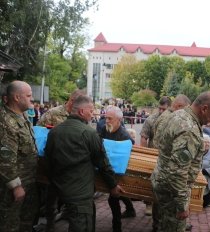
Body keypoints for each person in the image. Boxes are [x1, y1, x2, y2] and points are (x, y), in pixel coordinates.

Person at [44, 95, 124, 232]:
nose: (93, 115)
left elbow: (48, 160)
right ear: (82, 112)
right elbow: (103, 163)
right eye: (91, 111)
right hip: (80, 194)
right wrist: (113, 185)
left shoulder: (54, 132)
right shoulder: (89, 133)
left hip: (59, 188)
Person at [151, 91, 210, 232]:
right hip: (172, 191)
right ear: (204, 108)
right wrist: (182, 205)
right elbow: (177, 172)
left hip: (162, 181)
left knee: (164, 223)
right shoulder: (189, 130)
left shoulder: (178, 114)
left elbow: (159, 142)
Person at [37, 89, 85, 231]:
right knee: (51, 197)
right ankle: (50, 224)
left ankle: (67, 217)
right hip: (54, 163)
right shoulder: (53, 113)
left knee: (70, 198)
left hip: (72, 164)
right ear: (71, 101)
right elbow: (39, 133)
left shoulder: (80, 115)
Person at [0, 80, 39, 232]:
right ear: (17, 97)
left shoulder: (20, 116)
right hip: (13, 188)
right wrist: (16, 186)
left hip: (27, 182)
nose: (32, 98)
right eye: (29, 96)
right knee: (10, 224)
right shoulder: (6, 122)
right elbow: (4, 160)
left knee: (25, 223)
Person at [152, 94, 191, 232]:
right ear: (179, 106)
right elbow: (159, 143)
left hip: (163, 167)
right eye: (186, 109)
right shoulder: (170, 118)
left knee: (162, 209)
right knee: (166, 214)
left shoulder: (169, 116)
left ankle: (159, 224)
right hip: (167, 168)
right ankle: (158, 225)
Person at [100, 106, 135, 232]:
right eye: (106, 118)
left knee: (113, 197)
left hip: (119, 170)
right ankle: (130, 209)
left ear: (118, 120)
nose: (107, 121)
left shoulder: (124, 135)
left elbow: (130, 151)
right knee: (119, 192)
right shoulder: (105, 129)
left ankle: (117, 227)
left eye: (110, 118)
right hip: (107, 166)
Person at [140, 96, 172, 216]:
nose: (161, 111)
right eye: (160, 108)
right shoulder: (151, 119)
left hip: (166, 157)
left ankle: (162, 206)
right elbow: (144, 137)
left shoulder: (172, 120)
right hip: (152, 155)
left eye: (164, 109)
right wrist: (143, 155)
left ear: (169, 108)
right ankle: (148, 203)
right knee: (149, 180)